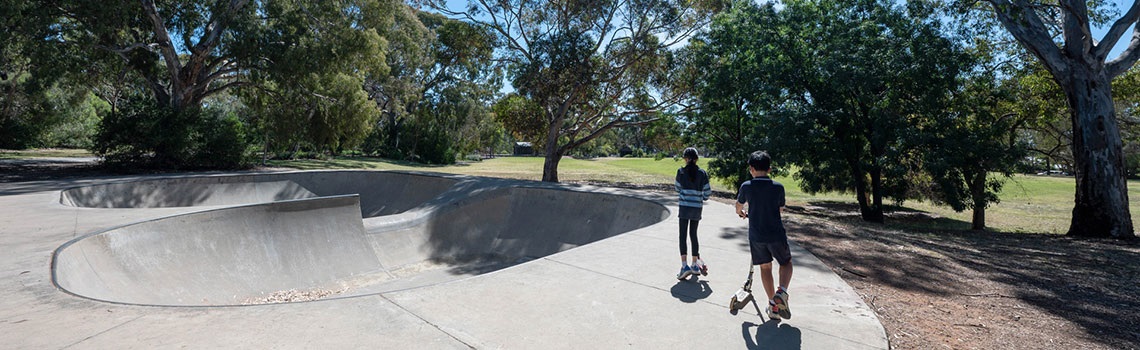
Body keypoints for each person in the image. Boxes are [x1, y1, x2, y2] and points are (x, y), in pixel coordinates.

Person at [735, 150, 793, 320]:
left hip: (756, 235)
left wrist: (743, 213)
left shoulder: (746, 186)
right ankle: (781, 292)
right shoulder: (778, 187)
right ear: (769, 169)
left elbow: (738, 207)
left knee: (765, 267)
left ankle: (773, 307)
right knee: (786, 262)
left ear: (751, 168)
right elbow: (780, 209)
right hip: (775, 233)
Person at [675, 147, 712, 280]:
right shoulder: (702, 173)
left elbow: (677, 188)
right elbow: (707, 193)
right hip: (696, 208)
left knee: (682, 236)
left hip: (684, 208)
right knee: (693, 235)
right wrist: (700, 197)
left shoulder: (681, 172)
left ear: (685, 158)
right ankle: (695, 265)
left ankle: (684, 266)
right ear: (696, 159)